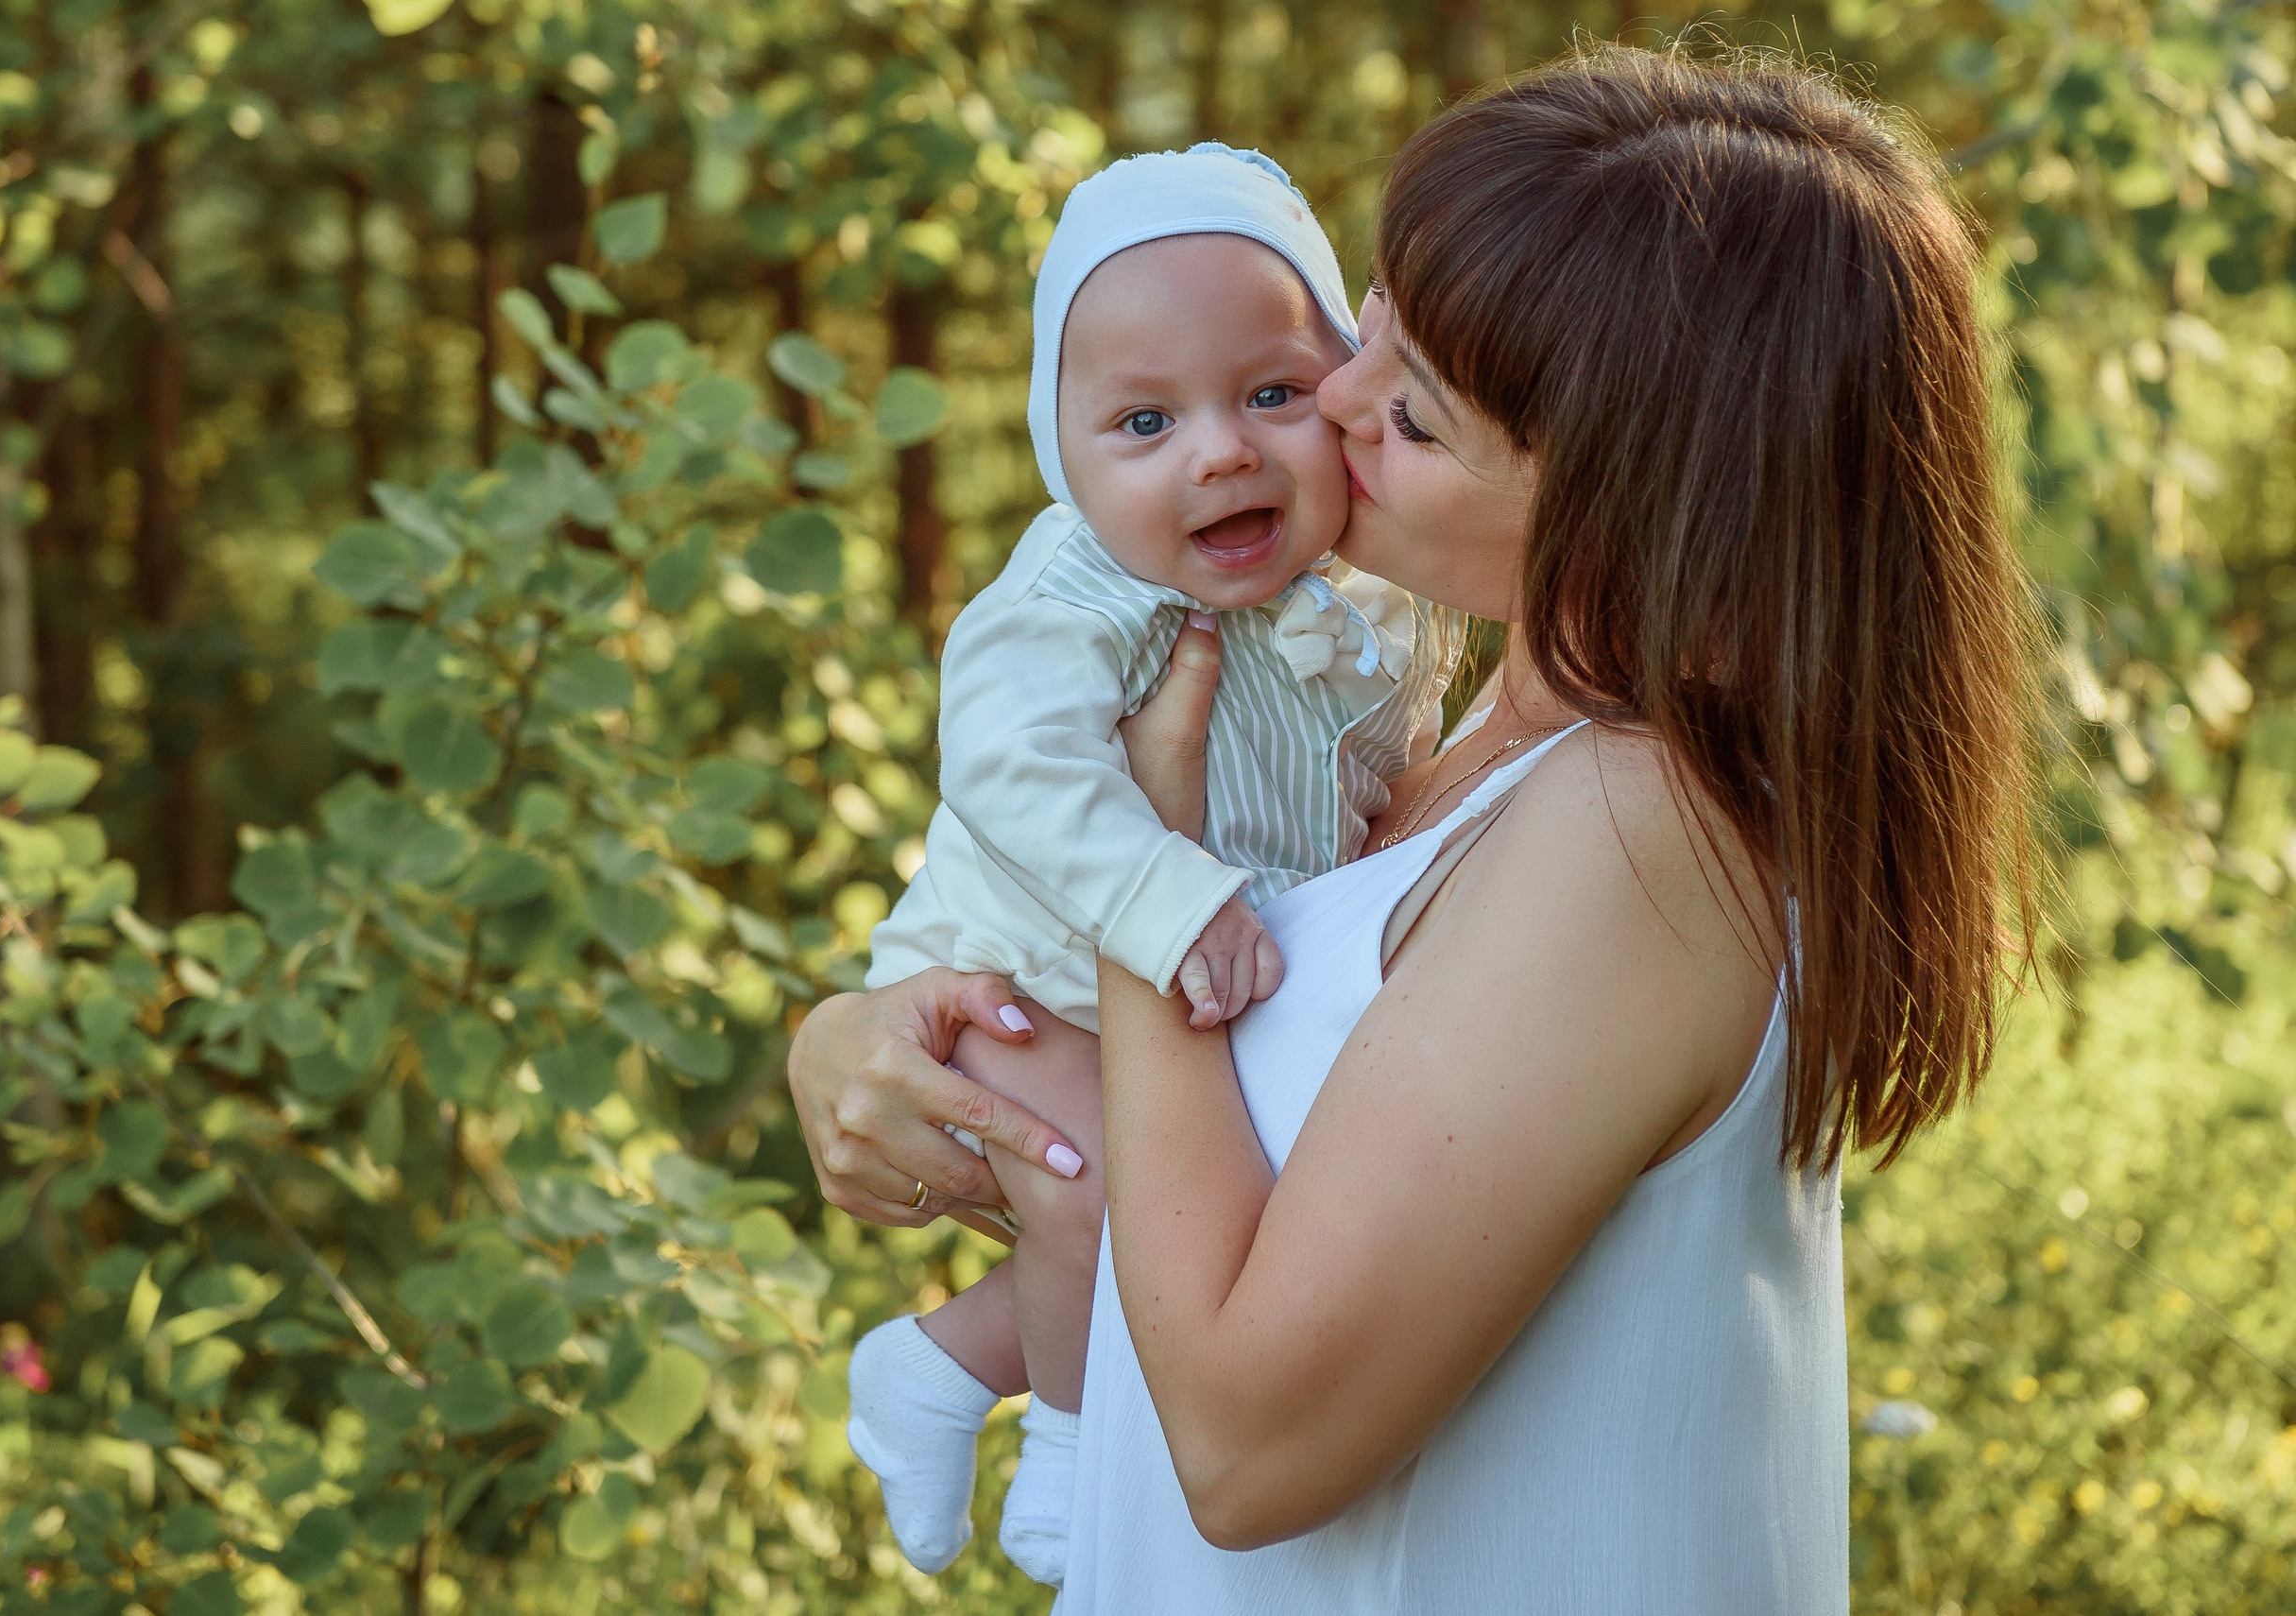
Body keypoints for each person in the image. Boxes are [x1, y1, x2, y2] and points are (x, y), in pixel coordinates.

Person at [792, 43, 2041, 1611]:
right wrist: (856, 1040)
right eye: (1371, 326)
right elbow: (1203, 1166)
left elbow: (1248, 1446)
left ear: (1636, 510)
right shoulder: (1465, 737)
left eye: (1421, 414)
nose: (1334, 396)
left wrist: (1144, 892)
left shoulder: (1643, 829)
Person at [843, 144, 1460, 1586]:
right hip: (1023, 975)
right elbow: (1013, 769)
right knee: (1105, 1182)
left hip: (1196, 975)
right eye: (1143, 420)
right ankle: (1068, 1438)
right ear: (1064, 455)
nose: (1220, 452)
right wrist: (1170, 897)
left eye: (1270, 394)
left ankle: (935, 1363)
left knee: (1214, 1218)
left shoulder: (1367, 586)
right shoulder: (1080, 593)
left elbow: (1380, 758)